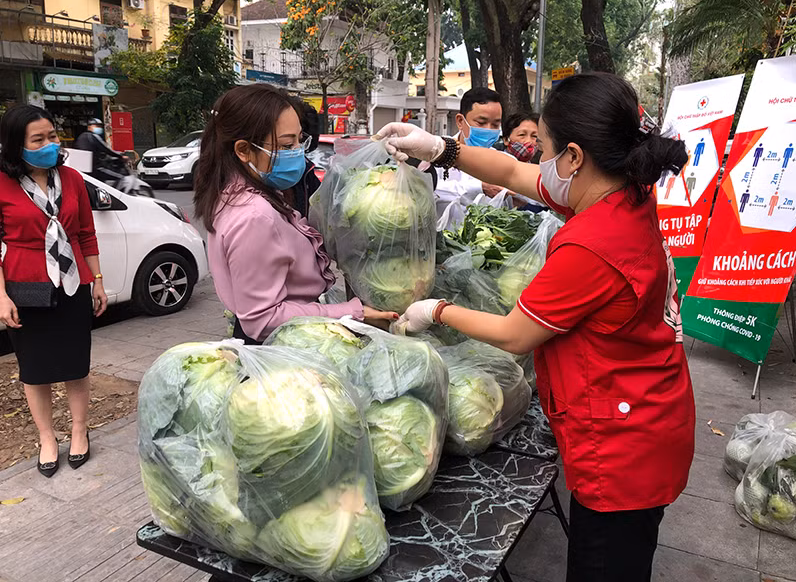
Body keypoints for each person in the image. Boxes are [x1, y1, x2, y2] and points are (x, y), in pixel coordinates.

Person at [377, 72, 695, 582]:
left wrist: (435, 311)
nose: (536, 159)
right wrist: (440, 148)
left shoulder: (593, 243)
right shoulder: (619, 189)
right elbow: (515, 174)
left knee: (606, 566)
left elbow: (515, 334)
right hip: (646, 408)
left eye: (543, 147)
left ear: (573, 156)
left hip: (623, 446)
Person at [193, 84, 398, 344]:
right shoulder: (254, 215)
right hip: (277, 346)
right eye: (288, 144)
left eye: (300, 140)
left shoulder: (241, 192)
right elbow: (263, 319)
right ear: (243, 150)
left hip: (287, 335)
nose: (299, 151)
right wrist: (353, 313)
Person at [0, 105, 107, 477]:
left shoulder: (73, 178)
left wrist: (98, 281)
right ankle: (47, 438)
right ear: (16, 145)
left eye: (52, 136)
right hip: (25, 286)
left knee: (75, 365)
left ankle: (80, 431)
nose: (49, 144)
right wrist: (1, 296)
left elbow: (86, 234)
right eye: (38, 139)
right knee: (35, 370)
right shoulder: (1, 183)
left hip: (73, 282)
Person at [433, 87, 507, 215]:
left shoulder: (503, 161)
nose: (488, 130)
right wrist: (479, 188)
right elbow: (427, 190)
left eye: (495, 125)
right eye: (481, 122)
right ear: (460, 121)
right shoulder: (437, 151)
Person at [73, 118, 129, 187]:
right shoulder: (93, 136)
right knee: (121, 178)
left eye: (100, 126)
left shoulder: (81, 137)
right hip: (95, 169)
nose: (99, 128)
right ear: (89, 127)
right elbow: (106, 149)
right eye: (96, 126)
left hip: (83, 170)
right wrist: (120, 156)